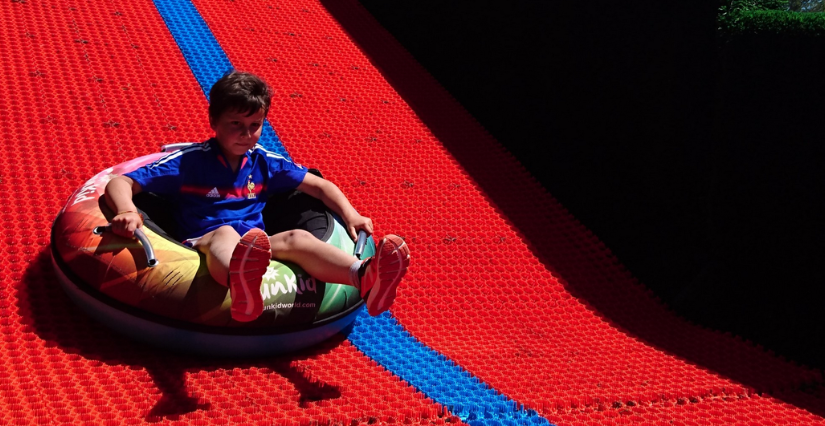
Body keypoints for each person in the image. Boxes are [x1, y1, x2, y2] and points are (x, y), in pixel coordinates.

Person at [104, 71, 410, 322]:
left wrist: (351, 215)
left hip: (256, 246)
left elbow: (319, 186)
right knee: (224, 233)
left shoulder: (264, 162)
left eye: (254, 126)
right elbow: (121, 182)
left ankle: (364, 276)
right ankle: (241, 285)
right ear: (214, 122)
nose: (245, 134)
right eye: (235, 124)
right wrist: (127, 210)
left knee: (296, 239)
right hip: (203, 243)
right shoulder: (190, 163)